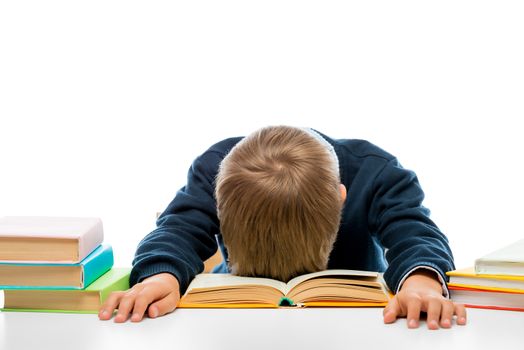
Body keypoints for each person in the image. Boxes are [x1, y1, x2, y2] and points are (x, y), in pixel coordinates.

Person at [99, 125, 467, 329]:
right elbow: (178, 228)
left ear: (342, 198)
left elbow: (414, 231)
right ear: (219, 205)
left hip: (352, 324)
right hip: (242, 319)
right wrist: (160, 275)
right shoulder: (215, 169)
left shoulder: (377, 172)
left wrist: (421, 279)